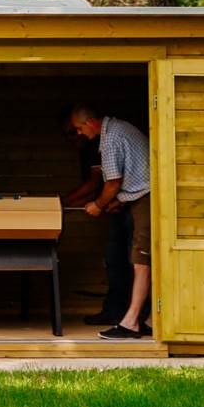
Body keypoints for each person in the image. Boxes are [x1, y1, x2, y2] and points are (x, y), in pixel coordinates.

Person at [69, 104, 153, 339]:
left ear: (89, 123)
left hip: (146, 200)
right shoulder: (117, 129)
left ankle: (131, 323)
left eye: (79, 129)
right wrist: (119, 201)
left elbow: (113, 183)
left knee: (141, 260)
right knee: (141, 260)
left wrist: (98, 204)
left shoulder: (110, 139)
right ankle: (146, 319)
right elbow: (131, 177)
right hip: (138, 198)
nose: (79, 134)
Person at [62, 111, 133, 327]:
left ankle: (129, 314)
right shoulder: (101, 139)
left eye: (76, 131)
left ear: (89, 123)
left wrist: (64, 202)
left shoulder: (103, 142)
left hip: (127, 206)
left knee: (127, 260)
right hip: (117, 204)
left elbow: (100, 184)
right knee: (116, 258)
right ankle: (115, 311)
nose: (75, 136)